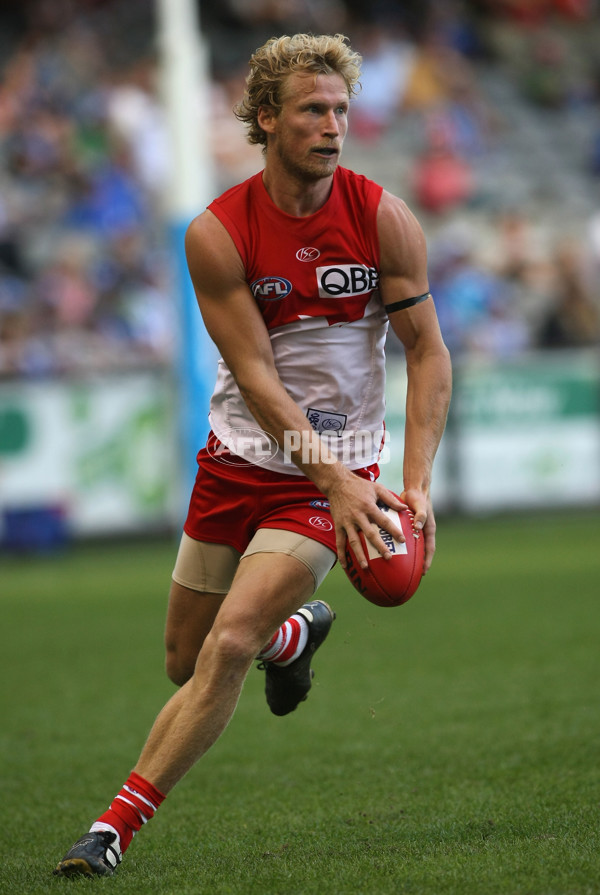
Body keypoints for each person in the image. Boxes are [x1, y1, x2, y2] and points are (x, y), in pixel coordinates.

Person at [54, 32, 452, 878]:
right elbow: (257, 379)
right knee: (182, 658)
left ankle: (110, 829)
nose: (332, 125)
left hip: (335, 473)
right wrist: (332, 477)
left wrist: (409, 484)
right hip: (242, 460)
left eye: (340, 109)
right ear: (266, 118)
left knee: (228, 642)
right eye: (313, 110)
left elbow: (428, 352)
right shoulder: (218, 232)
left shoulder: (383, 217)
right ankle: (296, 635)